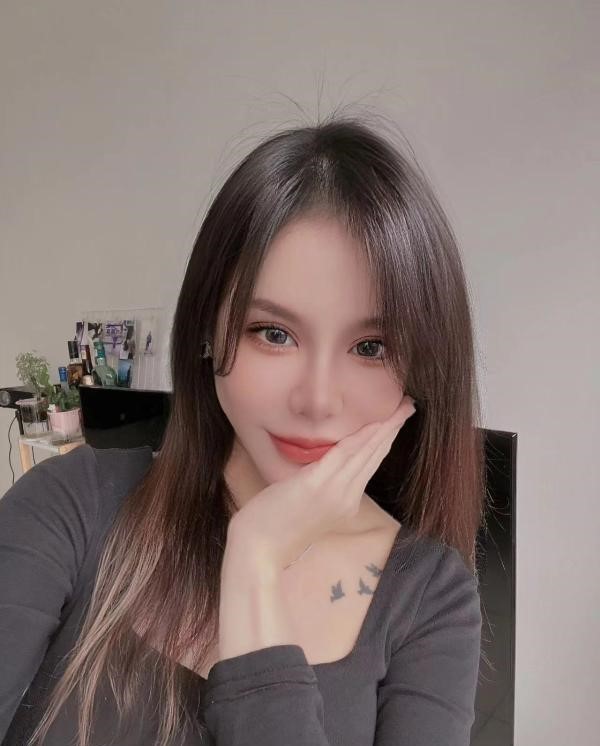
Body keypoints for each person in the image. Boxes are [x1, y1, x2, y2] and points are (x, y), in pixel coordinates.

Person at [0, 112, 486, 746]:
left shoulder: (432, 601)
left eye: (372, 347)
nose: (317, 400)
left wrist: (255, 562)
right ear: (208, 328)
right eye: (274, 333)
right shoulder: (72, 505)